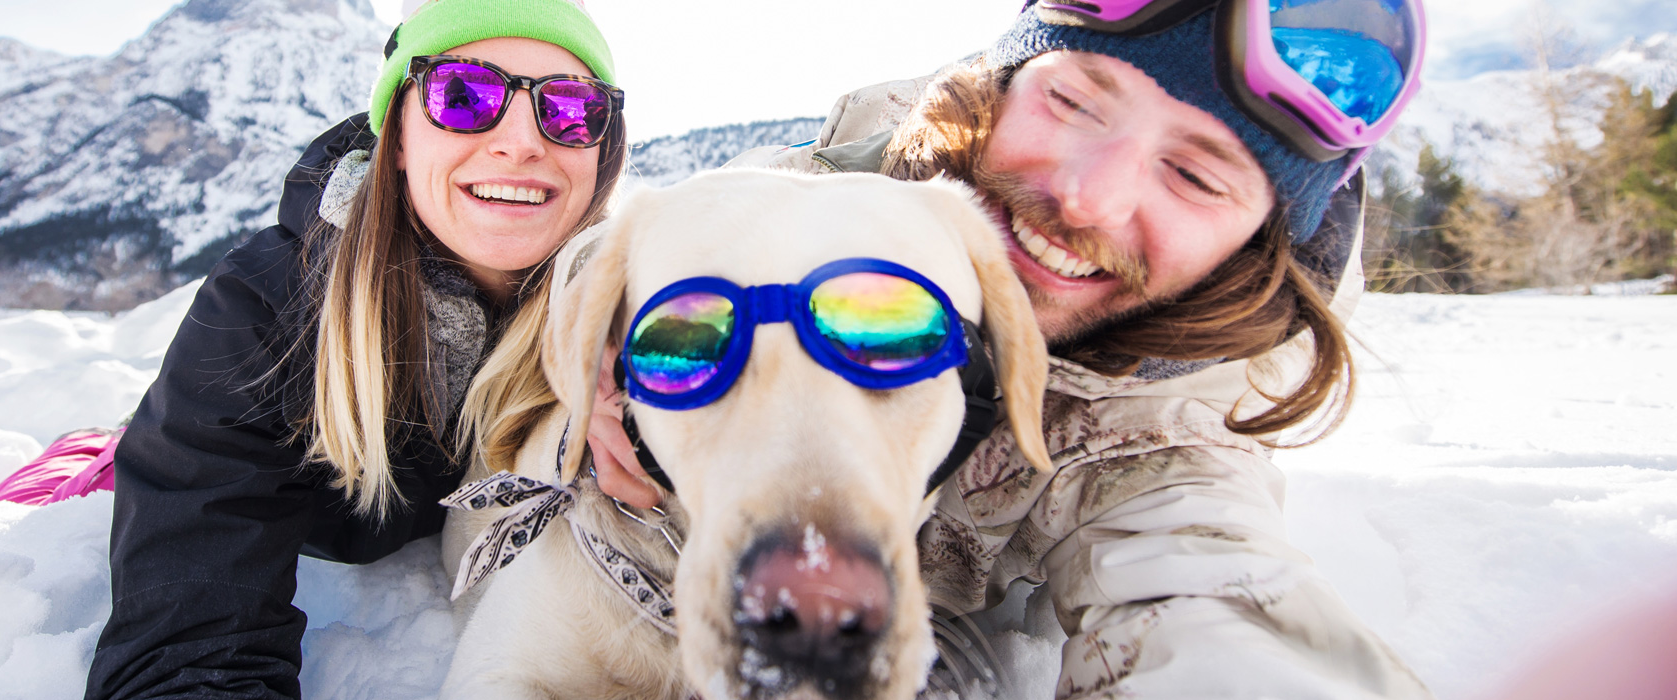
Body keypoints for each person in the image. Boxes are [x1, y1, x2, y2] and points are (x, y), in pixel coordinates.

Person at [573, 0, 1436, 696]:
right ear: (1007, 86)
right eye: (1073, 100)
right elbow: (641, 240)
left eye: (1196, 176)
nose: (1087, 198)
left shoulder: (1166, 436)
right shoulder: (855, 186)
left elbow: (1211, 601)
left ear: (1259, 238)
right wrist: (599, 338)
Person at [81, 0, 626, 697]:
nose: (521, 141)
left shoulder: (635, 312)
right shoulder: (267, 308)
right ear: (397, 135)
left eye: (571, 109)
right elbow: (191, 643)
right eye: (463, 96)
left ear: (602, 146)